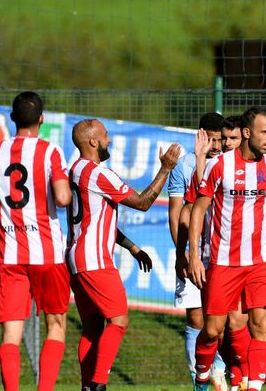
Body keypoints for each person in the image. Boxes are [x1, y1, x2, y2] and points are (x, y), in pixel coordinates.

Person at [66, 119, 181, 391]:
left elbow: (98, 219)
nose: (110, 141)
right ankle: (98, 384)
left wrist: (132, 247)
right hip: (94, 260)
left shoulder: (75, 170)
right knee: (119, 320)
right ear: (93, 141)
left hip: (76, 258)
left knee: (93, 330)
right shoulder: (98, 173)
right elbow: (142, 203)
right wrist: (166, 168)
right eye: (105, 136)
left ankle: (87, 386)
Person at [188, 106, 266, 391]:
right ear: (247, 133)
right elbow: (198, 210)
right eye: (264, 132)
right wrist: (194, 256)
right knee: (212, 330)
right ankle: (200, 378)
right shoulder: (219, 165)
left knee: (262, 324)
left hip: (260, 260)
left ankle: (254, 386)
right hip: (222, 261)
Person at [0, 91, 72, 391]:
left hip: (9, 255)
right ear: (41, 119)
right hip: (48, 254)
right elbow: (63, 198)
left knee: (10, 336)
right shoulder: (50, 152)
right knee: (55, 326)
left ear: (13, 118)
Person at [168, 112, 228, 390]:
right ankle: (199, 381)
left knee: (224, 319)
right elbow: (176, 212)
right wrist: (181, 254)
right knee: (196, 316)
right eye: (212, 139)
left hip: (224, 252)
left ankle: (222, 371)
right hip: (194, 252)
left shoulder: (230, 163)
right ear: (200, 134)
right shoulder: (185, 165)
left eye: (221, 139)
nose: (216, 145)